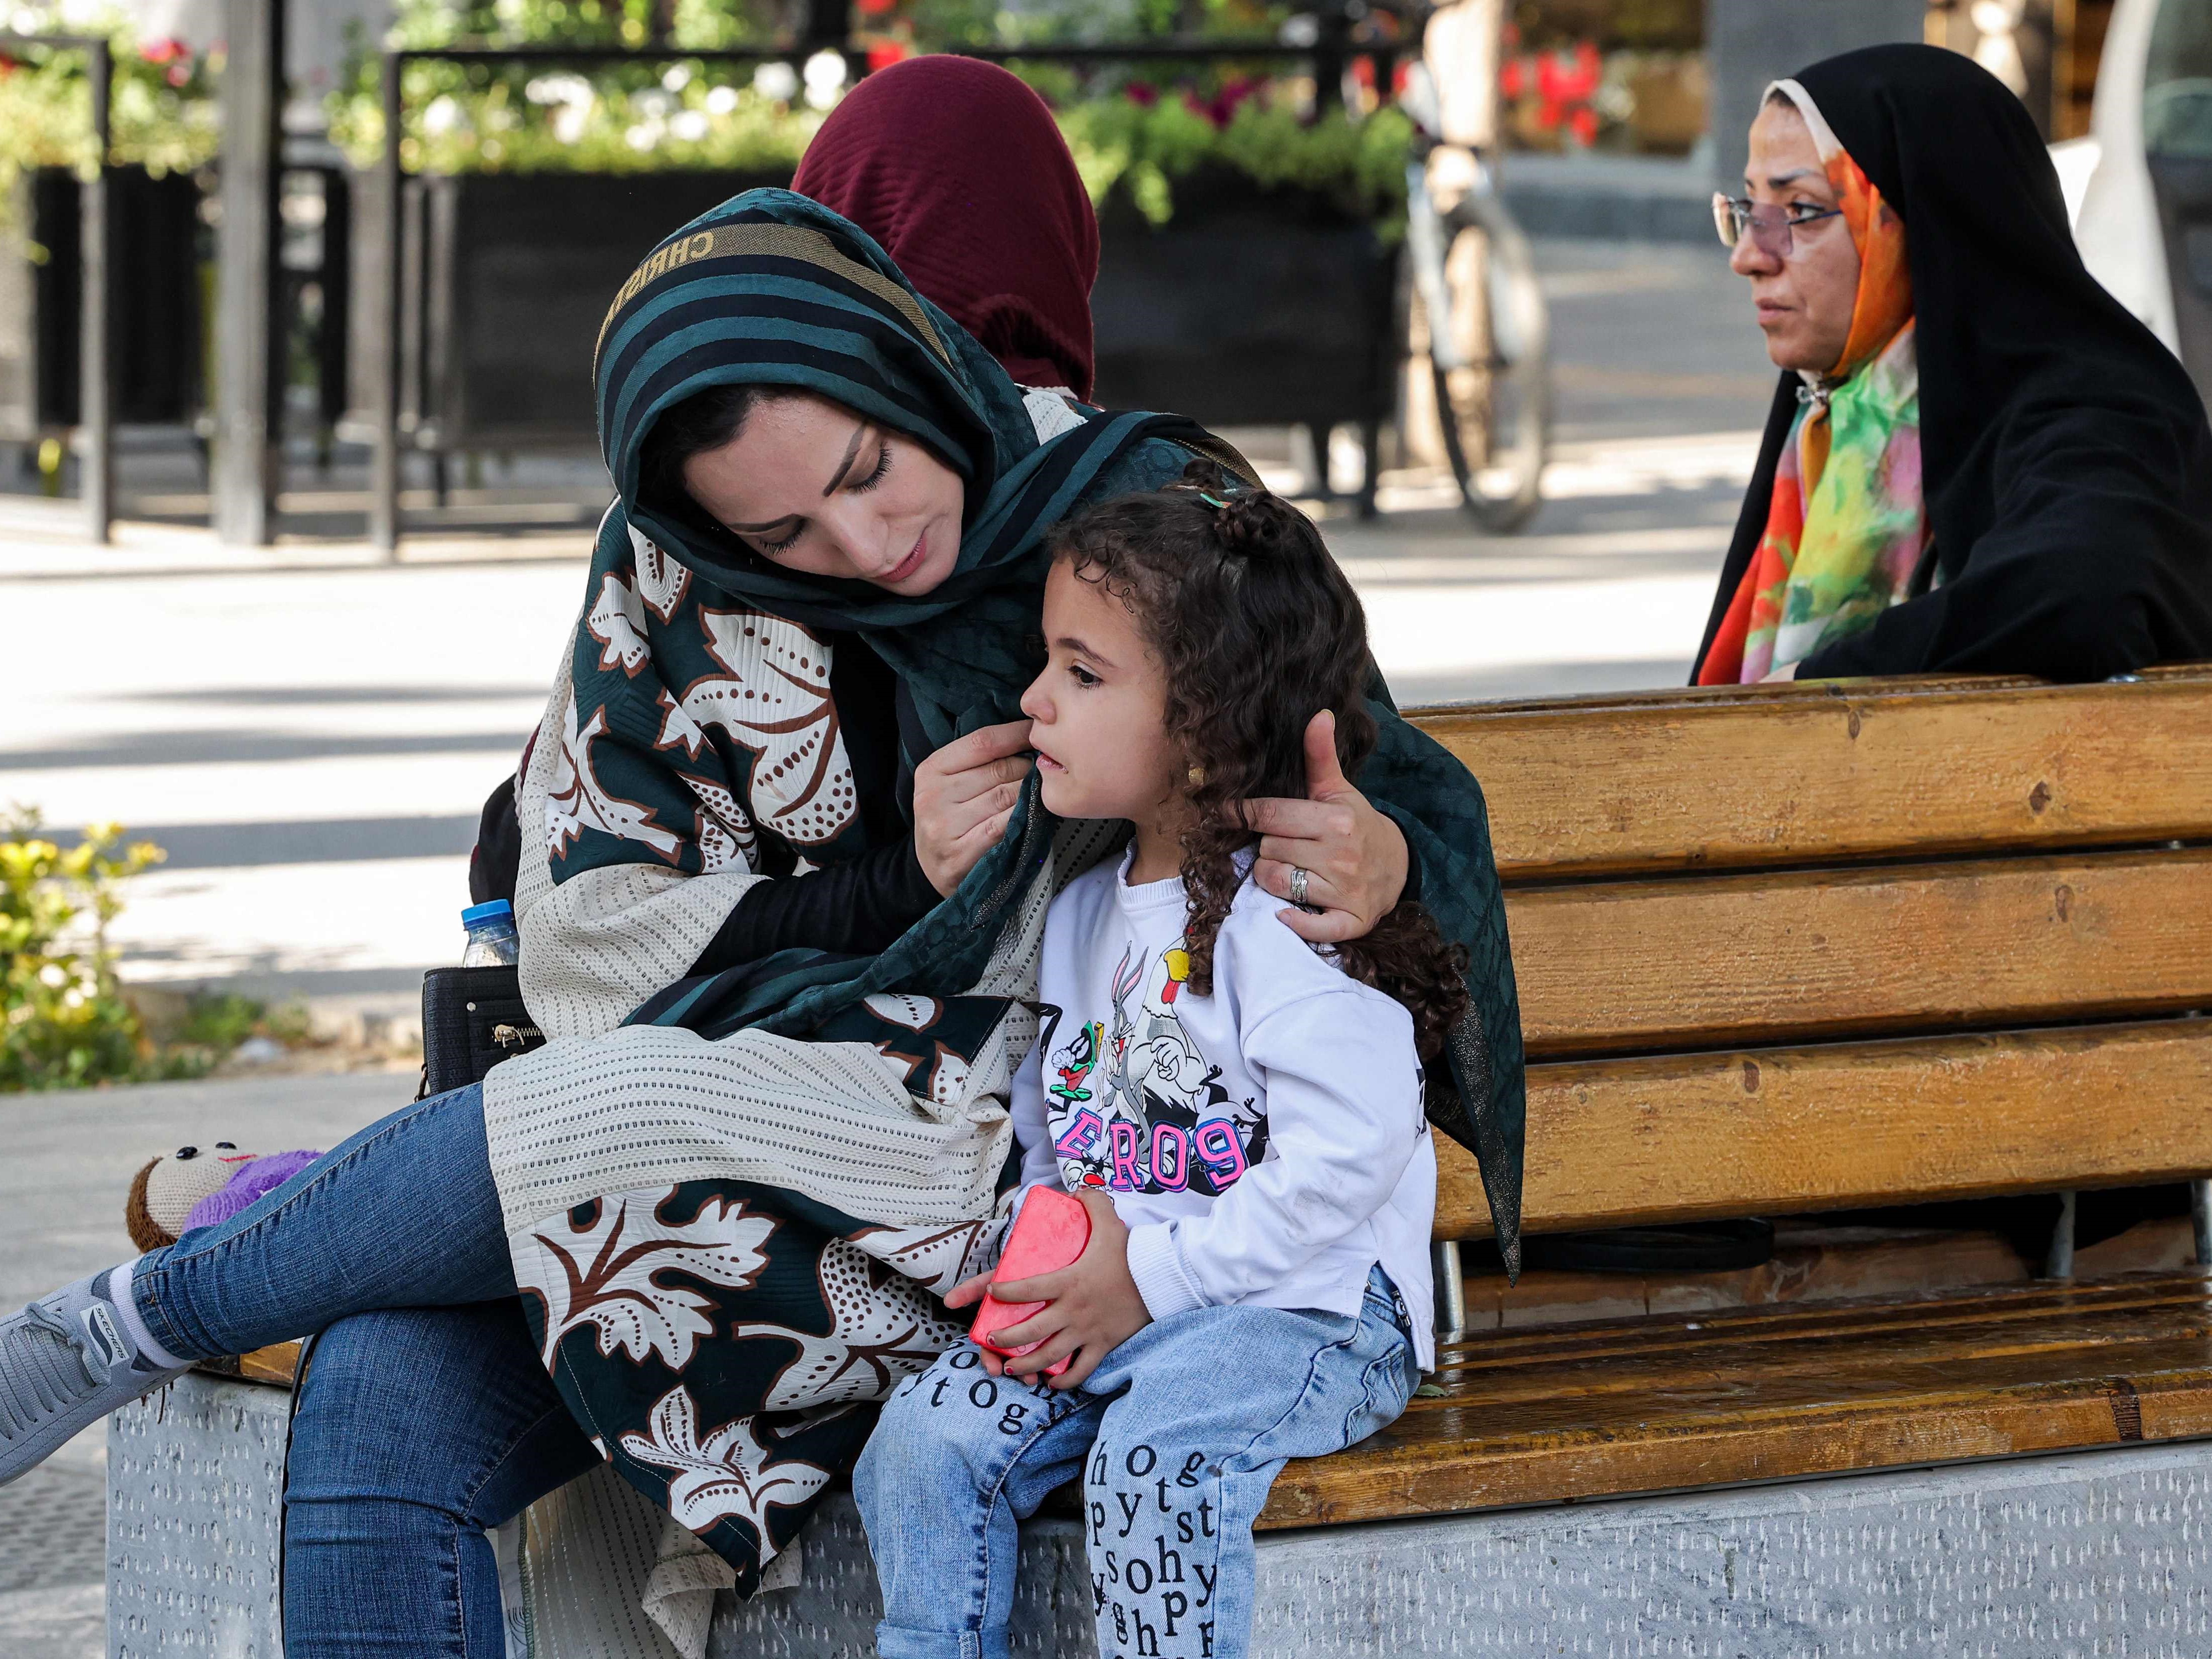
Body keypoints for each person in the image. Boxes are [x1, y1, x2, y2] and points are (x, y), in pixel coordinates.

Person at [0, 187, 1526, 1656]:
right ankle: (115, 1331)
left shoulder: (1131, 516)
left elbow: (1346, 766)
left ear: (907, 364)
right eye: (785, 531)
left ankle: (125, 1323)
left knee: (599, 1110)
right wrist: (892, 886)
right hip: (687, 1165)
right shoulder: (665, 580)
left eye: (868, 469)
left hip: (987, 1196)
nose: (863, 545)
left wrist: (1379, 859)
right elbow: (590, 934)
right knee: (377, 1391)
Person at [856, 476, 1450, 1659]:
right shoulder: (1080, 910)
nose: (1034, 699)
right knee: (922, 1440)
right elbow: (1057, 1125)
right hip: (1132, 1292)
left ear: (1203, 722)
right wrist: (1048, 1261)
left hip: (1309, 1307)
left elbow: (1351, 1158)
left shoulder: (1290, 916)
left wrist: (1153, 1276)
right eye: (1047, 661)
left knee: (1156, 1460)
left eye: (1082, 673)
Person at [1695, 44, 2212, 687]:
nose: (1748, 256)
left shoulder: (2101, 418)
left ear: (1925, 221)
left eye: (1799, 211)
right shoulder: (1833, 411)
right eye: (1747, 211)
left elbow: (2082, 590)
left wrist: (1818, 681)